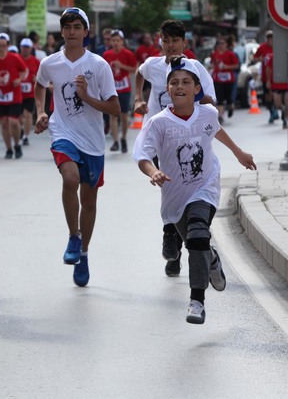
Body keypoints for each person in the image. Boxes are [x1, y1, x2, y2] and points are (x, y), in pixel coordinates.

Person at [132, 56, 255, 324]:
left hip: (205, 185)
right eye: (174, 82)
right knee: (194, 242)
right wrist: (153, 171)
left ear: (197, 89)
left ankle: (196, 300)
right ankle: (210, 258)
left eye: (186, 82)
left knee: (199, 232)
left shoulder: (208, 113)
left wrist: (238, 152)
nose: (180, 86)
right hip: (174, 197)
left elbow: (215, 130)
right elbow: (143, 156)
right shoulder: (159, 122)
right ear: (167, 91)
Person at [34, 7, 119, 287]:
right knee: (69, 178)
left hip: (93, 141)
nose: (71, 32)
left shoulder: (98, 65)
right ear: (61, 31)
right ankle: (73, 235)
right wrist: (41, 112)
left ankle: (83, 253)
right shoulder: (50, 63)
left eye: (76, 27)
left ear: (86, 32)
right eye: (67, 27)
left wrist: (86, 96)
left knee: (90, 201)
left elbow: (115, 108)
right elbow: (40, 85)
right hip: (63, 131)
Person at [133, 19, 216, 278]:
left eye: (175, 41)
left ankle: (174, 244)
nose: (170, 45)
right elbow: (139, 73)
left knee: (183, 189)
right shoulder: (154, 65)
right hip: (159, 135)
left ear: (184, 43)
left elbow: (210, 99)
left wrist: (192, 102)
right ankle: (171, 239)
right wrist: (138, 97)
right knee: (169, 186)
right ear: (161, 41)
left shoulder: (194, 68)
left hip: (186, 138)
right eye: (166, 40)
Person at [0, 33, 28, 159]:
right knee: (4, 124)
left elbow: (24, 71)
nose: (1, 48)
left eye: (4, 45)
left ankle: (17, 145)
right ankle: (9, 149)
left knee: (14, 122)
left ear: (8, 46)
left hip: (14, 95)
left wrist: (19, 80)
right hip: (0, 96)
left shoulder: (15, 57)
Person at [103, 29, 138, 153]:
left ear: (122, 41)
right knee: (113, 115)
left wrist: (121, 66)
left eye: (118, 40)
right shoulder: (107, 55)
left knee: (124, 115)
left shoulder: (128, 54)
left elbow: (135, 69)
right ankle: (115, 141)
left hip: (124, 88)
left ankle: (123, 138)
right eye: (113, 40)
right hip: (112, 88)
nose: (115, 43)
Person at [210, 36, 239, 124]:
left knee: (228, 97)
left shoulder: (230, 54)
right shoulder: (215, 54)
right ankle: (221, 116)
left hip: (228, 80)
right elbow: (212, 63)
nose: (221, 45)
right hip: (218, 79)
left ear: (226, 44)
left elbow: (236, 65)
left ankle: (231, 106)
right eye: (219, 43)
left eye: (223, 43)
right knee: (220, 98)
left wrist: (227, 67)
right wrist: (213, 66)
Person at [18, 38, 40, 146]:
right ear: (20, 48)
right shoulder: (16, 59)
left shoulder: (35, 61)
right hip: (17, 92)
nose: (25, 50)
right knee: (18, 116)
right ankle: (21, 130)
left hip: (30, 93)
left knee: (28, 114)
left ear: (31, 48)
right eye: (23, 47)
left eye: (27, 48)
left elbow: (41, 77)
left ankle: (26, 136)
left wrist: (35, 79)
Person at [253, 30, 277, 119]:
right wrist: (260, 59)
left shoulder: (278, 47)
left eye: (272, 38)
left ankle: (275, 108)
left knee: (274, 95)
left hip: (276, 76)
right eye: (268, 38)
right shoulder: (262, 47)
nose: (270, 40)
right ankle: (271, 112)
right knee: (267, 96)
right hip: (265, 76)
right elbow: (255, 58)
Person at [264, 45, 288, 129]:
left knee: (287, 102)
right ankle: (282, 110)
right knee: (278, 104)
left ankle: (285, 120)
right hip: (276, 84)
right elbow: (268, 69)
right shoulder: (273, 57)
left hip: (287, 84)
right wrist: (268, 80)